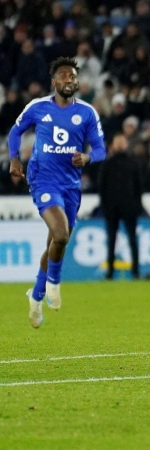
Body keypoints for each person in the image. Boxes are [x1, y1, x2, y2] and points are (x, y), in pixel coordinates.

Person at [6, 57, 107, 328]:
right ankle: (54, 282)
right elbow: (15, 132)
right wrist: (14, 158)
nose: (69, 80)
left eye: (73, 76)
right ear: (54, 81)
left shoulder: (87, 113)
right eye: (64, 76)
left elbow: (100, 149)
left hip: (71, 186)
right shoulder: (38, 107)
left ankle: (36, 297)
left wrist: (87, 158)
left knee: (55, 243)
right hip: (43, 180)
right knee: (61, 234)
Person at [98, 133, 143, 280]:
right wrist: (105, 207)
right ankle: (110, 272)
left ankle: (136, 271)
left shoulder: (133, 163)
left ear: (126, 144)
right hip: (112, 208)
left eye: (122, 142)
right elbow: (102, 188)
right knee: (111, 241)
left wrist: (137, 205)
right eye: (117, 142)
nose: (120, 145)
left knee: (132, 240)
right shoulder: (107, 164)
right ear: (113, 145)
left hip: (129, 207)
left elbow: (138, 187)